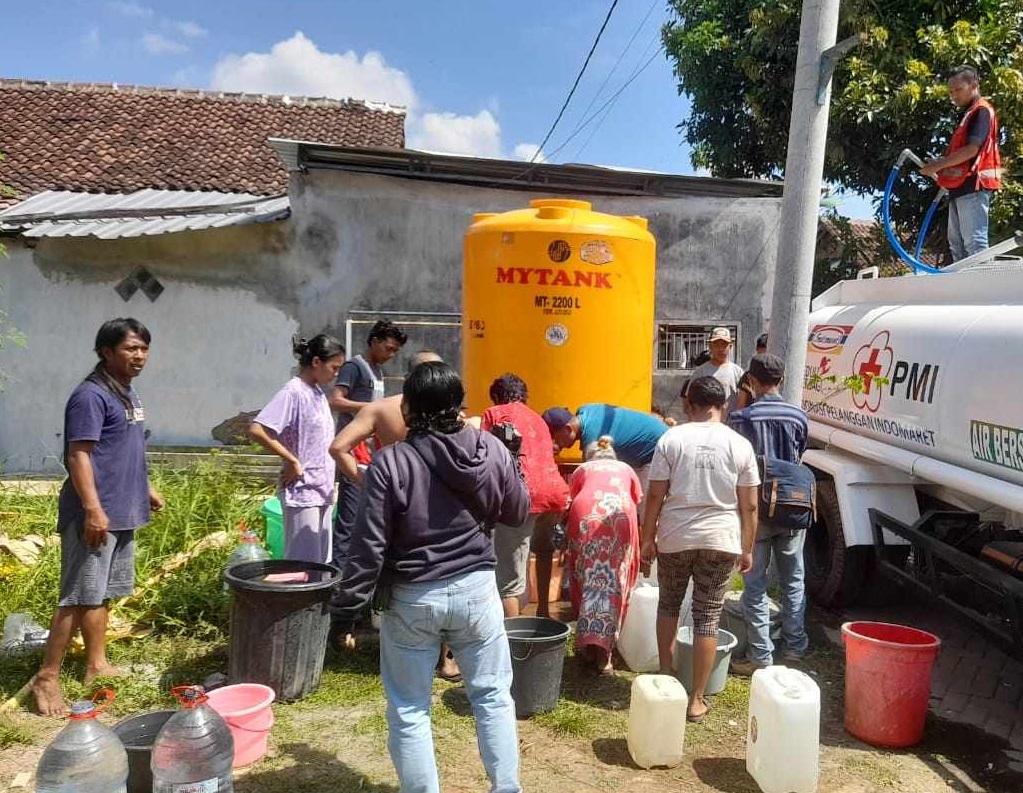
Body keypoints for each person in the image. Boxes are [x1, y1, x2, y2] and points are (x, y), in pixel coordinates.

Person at [332, 362, 529, 793]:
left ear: (408, 409)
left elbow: (368, 547)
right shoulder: (491, 449)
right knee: (494, 698)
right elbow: (516, 512)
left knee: (409, 710)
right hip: (478, 591)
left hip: (413, 598)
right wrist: (512, 460)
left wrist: (345, 612)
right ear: (458, 405)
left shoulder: (390, 463)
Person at [30, 318, 164, 716]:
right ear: (106, 351)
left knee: (100, 593)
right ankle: (47, 678)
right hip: (96, 513)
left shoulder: (125, 392)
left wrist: (145, 487)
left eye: (143, 348)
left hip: (121, 511)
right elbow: (79, 454)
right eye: (130, 348)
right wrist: (92, 509)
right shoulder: (89, 396)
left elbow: (125, 447)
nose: (139, 356)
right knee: (75, 595)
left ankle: (96, 664)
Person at [328, 350, 460, 681]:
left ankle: (399, 650)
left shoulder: (381, 408)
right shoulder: (449, 413)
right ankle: (444, 659)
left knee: (393, 572)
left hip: (395, 499)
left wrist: (365, 478)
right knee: (441, 573)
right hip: (441, 503)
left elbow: (338, 447)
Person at [640, 376, 759, 723]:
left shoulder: (671, 439)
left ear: (689, 405)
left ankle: (665, 676)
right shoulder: (740, 445)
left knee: (669, 603)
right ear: (722, 405)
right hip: (721, 540)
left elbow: (655, 495)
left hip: (676, 537)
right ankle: (696, 700)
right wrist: (747, 546)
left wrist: (648, 537)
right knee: (707, 616)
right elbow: (749, 505)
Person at [727, 354, 810, 675]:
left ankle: (761, 655)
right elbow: (797, 455)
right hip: (793, 506)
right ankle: (795, 647)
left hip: (757, 510)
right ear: (783, 379)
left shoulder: (740, 418)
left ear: (752, 380)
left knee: (755, 584)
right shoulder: (798, 416)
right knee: (794, 578)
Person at [248, 334, 346, 564]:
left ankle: (317, 601)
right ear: (316, 363)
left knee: (320, 563)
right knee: (302, 565)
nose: (336, 374)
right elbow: (258, 429)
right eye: (334, 367)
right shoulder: (293, 392)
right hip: (302, 490)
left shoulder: (318, 393)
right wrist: (292, 460)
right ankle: (298, 601)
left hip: (322, 488)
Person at [480, 374, 569, 619]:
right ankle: (543, 613)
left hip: (521, 498)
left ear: (497, 396)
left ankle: (513, 647)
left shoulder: (494, 413)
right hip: (554, 494)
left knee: (509, 581)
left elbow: (486, 458)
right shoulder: (538, 419)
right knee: (543, 552)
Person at [329, 320, 408, 570]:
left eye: (395, 350)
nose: (391, 354)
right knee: (350, 516)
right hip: (352, 449)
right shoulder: (355, 367)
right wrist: (373, 410)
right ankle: (340, 577)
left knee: (366, 514)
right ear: (373, 341)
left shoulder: (377, 370)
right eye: (388, 348)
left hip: (370, 451)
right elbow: (337, 400)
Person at [565, 436, 643, 675]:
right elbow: (636, 499)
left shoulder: (582, 469)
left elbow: (572, 498)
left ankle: (587, 646)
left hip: (586, 517)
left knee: (585, 578)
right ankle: (605, 654)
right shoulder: (627, 469)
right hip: (619, 518)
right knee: (615, 582)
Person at [920, 65, 1002, 262]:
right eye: (951, 91)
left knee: (974, 243)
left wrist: (938, 166)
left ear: (974, 85)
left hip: (974, 185)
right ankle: (967, 288)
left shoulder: (981, 111)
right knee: (957, 244)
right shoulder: (969, 113)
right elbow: (962, 152)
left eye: (958, 90)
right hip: (961, 186)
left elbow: (972, 150)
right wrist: (941, 162)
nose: (953, 96)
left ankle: (982, 289)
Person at [541, 403, 668, 486]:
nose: (553, 443)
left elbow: (590, 484)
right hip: (656, 442)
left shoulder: (593, 440)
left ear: (568, 429)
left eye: (554, 438)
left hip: (656, 452)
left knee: (644, 511)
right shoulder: (585, 410)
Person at [690, 327, 744, 412]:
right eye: (716, 344)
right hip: (706, 423)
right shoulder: (700, 372)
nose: (720, 349)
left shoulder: (738, 372)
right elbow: (689, 400)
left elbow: (743, 400)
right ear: (710, 347)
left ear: (730, 346)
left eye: (724, 344)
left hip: (730, 423)